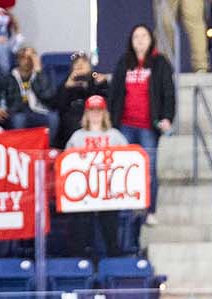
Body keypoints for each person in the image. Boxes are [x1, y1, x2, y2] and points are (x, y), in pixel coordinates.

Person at [110, 24, 173, 226]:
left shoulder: (160, 62)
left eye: (144, 36)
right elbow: (114, 93)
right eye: (136, 36)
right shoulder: (124, 62)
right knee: (123, 169)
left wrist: (167, 117)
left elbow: (168, 92)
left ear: (151, 39)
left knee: (149, 171)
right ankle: (125, 209)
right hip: (125, 125)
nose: (139, 40)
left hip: (148, 126)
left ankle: (150, 210)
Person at [63, 94, 125, 259]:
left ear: (104, 113)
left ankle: (113, 262)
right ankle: (82, 262)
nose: (95, 114)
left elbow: (127, 158)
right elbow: (66, 160)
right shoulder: (77, 136)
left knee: (110, 227)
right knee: (82, 228)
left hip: (109, 191)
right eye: (92, 110)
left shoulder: (115, 135)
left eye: (99, 110)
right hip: (84, 192)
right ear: (87, 113)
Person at [0, 44, 56, 139]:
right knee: (18, 119)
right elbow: (0, 96)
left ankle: (49, 150)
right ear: (18, 59)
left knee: (53, 117)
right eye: (23, 57)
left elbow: (48, 96)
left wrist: (39, 73)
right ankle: (18, 150)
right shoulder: (9, 77)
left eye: (30, 57)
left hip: (38, 110)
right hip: (17, 110)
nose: (27, 61)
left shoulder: (42, 75)